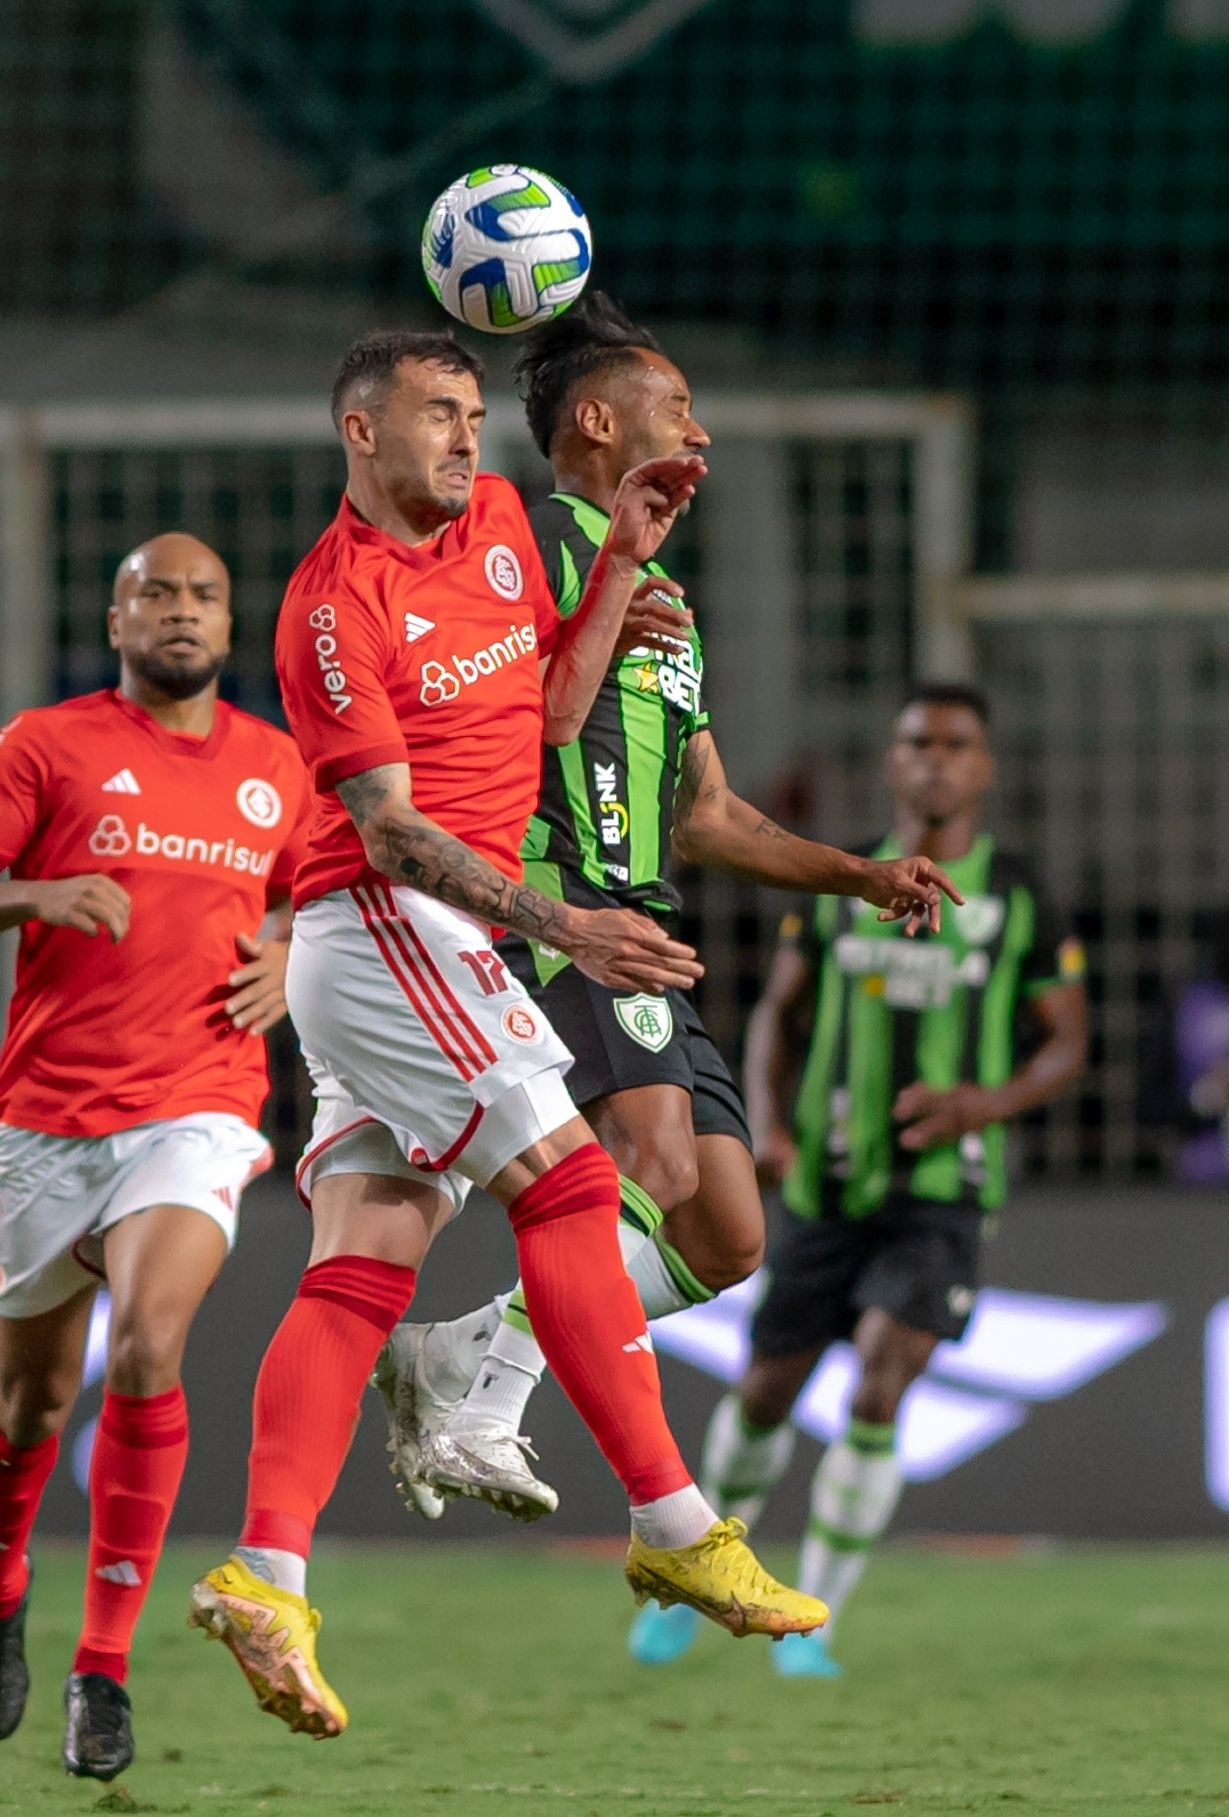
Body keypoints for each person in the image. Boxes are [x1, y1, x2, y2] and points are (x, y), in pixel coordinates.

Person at [186, 327, 877, 1739]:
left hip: (427, 943)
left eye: (466, 411)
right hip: (384, 926)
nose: (461, 436)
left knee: (364, 1266)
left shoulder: (504, 525)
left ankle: (265, 1574)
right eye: (431, 415)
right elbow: (384, 829)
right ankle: (676, 1520)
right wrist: (568, 926)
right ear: (358, 437)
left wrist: (616, 564)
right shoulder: (333, 604)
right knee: (569, 1182)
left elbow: (554, 710)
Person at [373, 293, 961, 1526]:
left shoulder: (666, 601)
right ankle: (487, 1408)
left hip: (644, 915)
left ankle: (451, 1349)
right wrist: (595, 606)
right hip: (555, 899)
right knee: (648, 1157)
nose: (699, 428)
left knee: (727, 1235)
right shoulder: (519, 543)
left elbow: (708, 814)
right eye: (677, 404)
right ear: (596, 420)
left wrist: (862, 872)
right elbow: (508, 716)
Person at [0, 534, 310, 1779]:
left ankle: (103, 1666)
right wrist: (37, 895)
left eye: (203, 596)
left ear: (230, 627)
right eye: (156, 593)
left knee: (148, 1341)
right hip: (42, 1123)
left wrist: (294, 955)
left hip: (197, 1107)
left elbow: (318, 899)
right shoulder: (46, 745)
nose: (180, 612)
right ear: (116, 616)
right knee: (33, 1406)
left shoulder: (276, 765)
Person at [634, 682, 1088, 1671]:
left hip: (946, 1187)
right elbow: (777, 1016)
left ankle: (813, 1620)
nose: (935, 759)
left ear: (985, 765)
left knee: (882, 1385)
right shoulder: (852, 883)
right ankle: (690, 1578)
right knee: (764, 1391)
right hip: (826, 1183)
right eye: (917, 742)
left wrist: (981, 1102)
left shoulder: (1018, 895)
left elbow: (1067, 1044)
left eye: (955, 744)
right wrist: (766, 1128)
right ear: (893, 761)